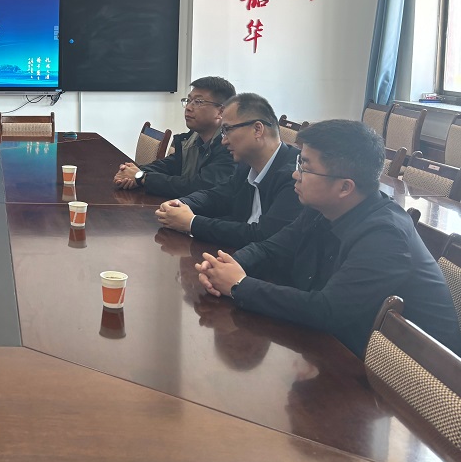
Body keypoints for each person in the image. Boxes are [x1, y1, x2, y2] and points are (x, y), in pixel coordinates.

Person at [196, 119, 461, 359]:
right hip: (347, 345)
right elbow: (271, 248)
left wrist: (239, 285)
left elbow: (327, 310)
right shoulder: (322, 208)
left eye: (306, 168)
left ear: (345, 187)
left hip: (414, 376)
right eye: (299, 163)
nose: (295, 174)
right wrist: (227, 266)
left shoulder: (385, 235)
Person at [155, 93, 300, 248]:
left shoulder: (296, 176)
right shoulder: (247, 166)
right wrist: (182, 203)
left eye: (227, 130)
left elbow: (262, 235)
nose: (223, 141)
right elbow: (217, 196)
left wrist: (192, 223)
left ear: (257, 129)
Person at [114, 76, 236, 198]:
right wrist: (134, 172)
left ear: (221, 111)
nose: (188, 107)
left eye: (198, 102)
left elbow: (199, 186)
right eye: (188, 100)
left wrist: (142, 177)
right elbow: (169, 165)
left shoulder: (231, 147)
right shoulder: (192, 138)